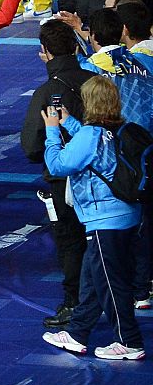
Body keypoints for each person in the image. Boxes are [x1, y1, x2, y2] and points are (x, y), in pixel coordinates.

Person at [43, 76, 147, 360]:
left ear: (88, 102)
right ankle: (77, 333)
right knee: (92, 279)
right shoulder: (125, 129)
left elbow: (59, 164)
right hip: (128, 214)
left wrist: (53, 132)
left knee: (110, 283)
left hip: (104, 220)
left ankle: (129, 341)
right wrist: (69, 124)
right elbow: (99, 148)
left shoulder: (91, 135)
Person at [24, 19, 96, 329]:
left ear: (45, 52)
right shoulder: (97, 81)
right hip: (102, 175)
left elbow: (30, 146)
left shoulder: (47, 91)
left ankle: (74, 305)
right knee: (104, 242)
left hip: (64, 181)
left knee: (70, 243)